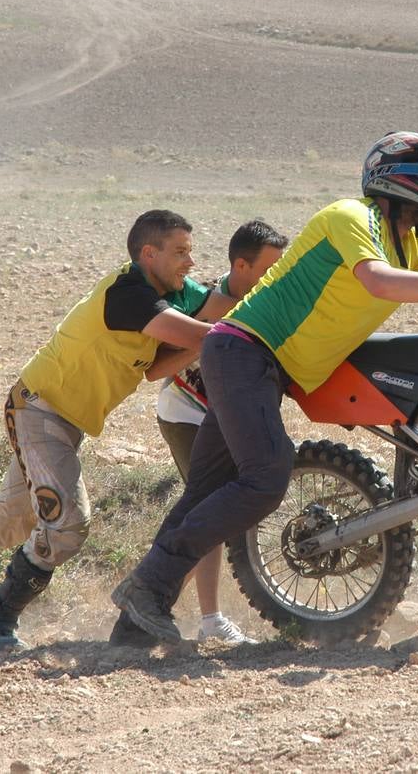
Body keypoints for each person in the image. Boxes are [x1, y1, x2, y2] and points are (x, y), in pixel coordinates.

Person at [110, 131, 418, 644]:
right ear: (389, 176)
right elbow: (377, 280)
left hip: (259, 362)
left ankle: (133, 623)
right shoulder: (352, 218)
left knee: (206, 492)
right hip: (245, 351)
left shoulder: (408, 242)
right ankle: (148, 590)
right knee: (265, 478)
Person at [0, 210, 235, 650]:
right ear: (150, 254)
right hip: (40, 410)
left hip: (63, 421)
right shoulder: (129, 292)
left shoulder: (175, 292)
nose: (190, 262)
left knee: (10, 522)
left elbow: (192, 338)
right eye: (181, 252)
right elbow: (203, 332)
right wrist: (230, 332)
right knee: (67, 524)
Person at [120, 220, 290, 647]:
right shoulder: (211, 302)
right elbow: (158, 367)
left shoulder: (269, 303)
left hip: (222, 415)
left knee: (209, 507)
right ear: (241, 265)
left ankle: (142, 615)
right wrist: (215, 342)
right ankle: (207, 616)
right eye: (270, 269)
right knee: (209, 507)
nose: (277, 279)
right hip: (186, 411)